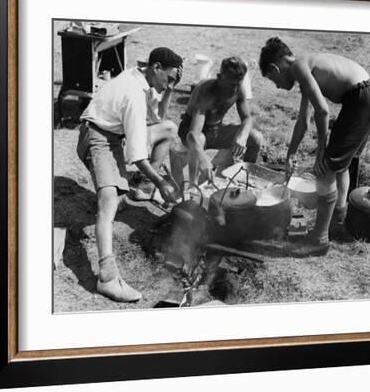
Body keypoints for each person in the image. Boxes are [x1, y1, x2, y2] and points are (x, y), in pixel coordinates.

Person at [259, 37, 370, 256]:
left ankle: (319, 239)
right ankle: (337, 219)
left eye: (273, 79)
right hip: (368, 98)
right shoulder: (305, 68)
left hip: (361, 100)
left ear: (274, 67)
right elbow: (303, 121)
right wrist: (291, 153)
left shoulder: (299, 66)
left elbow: (323, 111)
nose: (277, 85)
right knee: (340, 166)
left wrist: (321, 153)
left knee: (325, 170)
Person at [77, 47, 182, 302]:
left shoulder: (136, 76)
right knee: (108, 203)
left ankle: (125, 188)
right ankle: (108, 278)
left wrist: (167, 89)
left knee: (167, 129)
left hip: (113, 137)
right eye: (168, 78)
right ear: (156, 68)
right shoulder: (135, 93)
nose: (169, 84)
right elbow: (137, 156)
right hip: (96, 138)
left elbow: (154, 120)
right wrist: (161, 183)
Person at [177, 56, 263, 184]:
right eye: (231, 85)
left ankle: (245, 178)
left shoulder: (238, 88)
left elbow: (247, 118)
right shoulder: (205, 91)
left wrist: (242, 136)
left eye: (238, 84)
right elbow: (193, 134)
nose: (234, 89)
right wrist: (203, 159)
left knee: (256, 137)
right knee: (199, 140)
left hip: (216, 131)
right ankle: (192, 187)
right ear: (220, 77)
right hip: (190, 132)